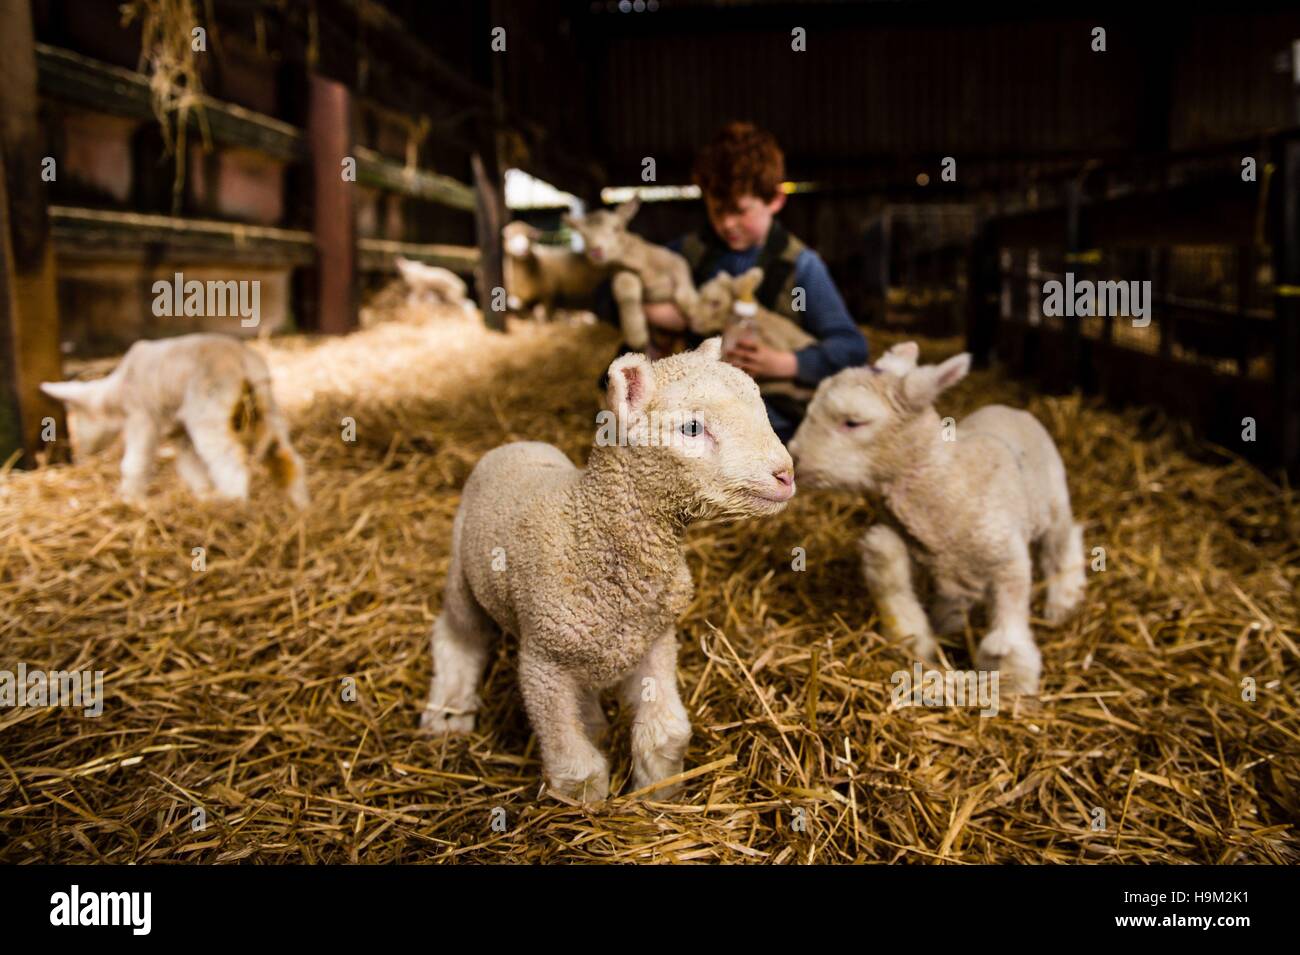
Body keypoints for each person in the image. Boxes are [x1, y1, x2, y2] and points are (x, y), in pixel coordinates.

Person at [642, 121, 869, 443]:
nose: (727, 223)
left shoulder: (802, 267)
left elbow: (851, 347)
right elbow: (609, 296)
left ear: (776, 199)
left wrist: (785, 363)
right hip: (695, 396)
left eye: (739, 210)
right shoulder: (687, 254)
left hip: (769, 408)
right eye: (717, 210)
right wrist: (659, 312)